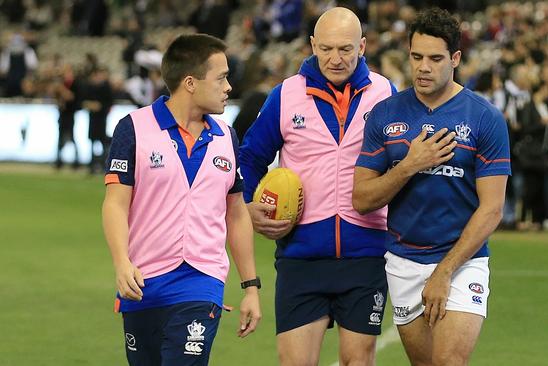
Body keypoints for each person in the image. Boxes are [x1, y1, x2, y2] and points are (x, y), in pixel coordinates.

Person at [239, 7, 399, 366]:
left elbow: (400, 164)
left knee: (357, 362)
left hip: (366, 255)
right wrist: (247, 206)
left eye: (345, 49)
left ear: (363, 46)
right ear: (312, 45)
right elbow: (249, 159)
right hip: (301, 255)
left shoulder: (386, 93)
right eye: (325, 49)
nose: (335, 59)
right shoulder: (286, 95)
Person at [353, 7, 510, 366]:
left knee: (448, 362)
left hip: (463, 260)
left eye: (435, 58)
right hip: (403, 262)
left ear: (455, 58)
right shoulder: (386, 114)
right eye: (417, 57)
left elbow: (492, 209)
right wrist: (409, 165)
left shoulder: (484, 118)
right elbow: (362, 198)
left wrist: (445, 271)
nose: (424, 67)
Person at [101, 34, 261, 366]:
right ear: (190, 82)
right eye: (221, 77)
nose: (229, 86)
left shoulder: (226, 137)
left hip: (201, 282)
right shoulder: (133, 129)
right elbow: (116, 203)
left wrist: (250, 287)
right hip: (142, 284)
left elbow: (236, 214)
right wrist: (121, 263)